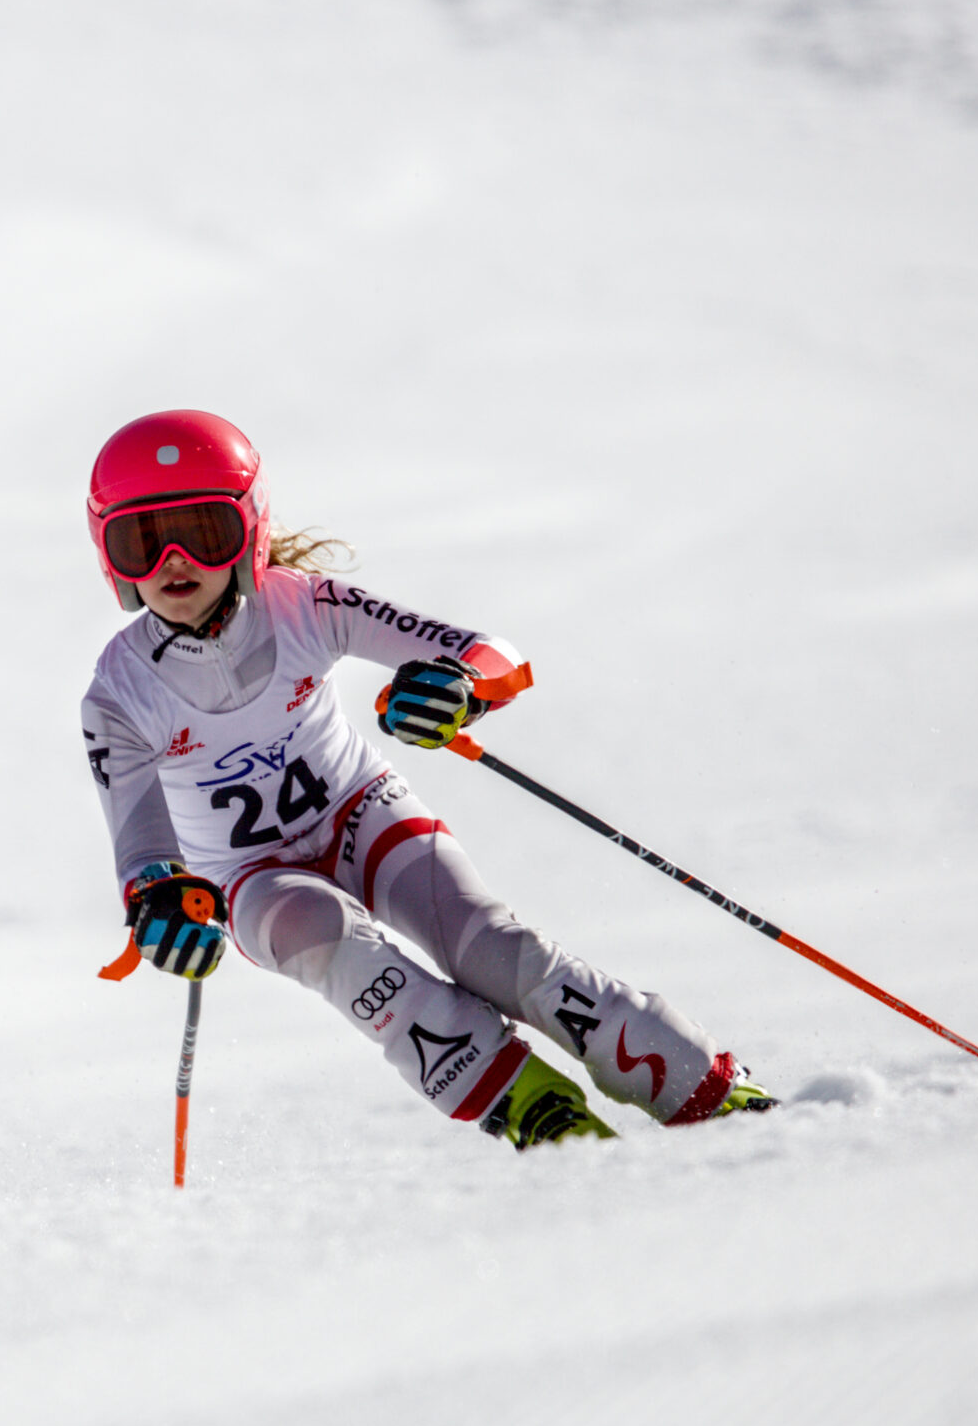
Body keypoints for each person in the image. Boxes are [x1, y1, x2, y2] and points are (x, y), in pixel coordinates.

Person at [79, 410, 774, 1148]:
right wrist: (162, 905)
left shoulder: (305, 606)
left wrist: (460, 687)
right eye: (141, 543)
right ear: (110, 558)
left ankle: (703, 1087)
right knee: (332, 944)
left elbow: (493, 655)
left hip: (362, 814)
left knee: (493, 952)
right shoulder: (119, 693)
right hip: (249, 877)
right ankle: (537, 1110)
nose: (174, 562)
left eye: (203, 532)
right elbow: (142, 852)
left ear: (248, 530)